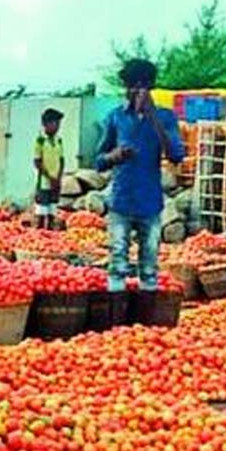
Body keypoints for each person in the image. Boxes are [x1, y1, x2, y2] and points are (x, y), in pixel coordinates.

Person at [95, 59, 186, 312]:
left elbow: (176, 155)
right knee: (117, 260)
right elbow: (98, 161)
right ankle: (116, 317)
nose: (136, 92)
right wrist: (114, 156)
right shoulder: (115, 117)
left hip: (149, 201)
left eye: (142, 86)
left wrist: (153, 116)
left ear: (150, 87)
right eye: (131, 87)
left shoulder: (165, 118)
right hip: (121, 200)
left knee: (149, 263)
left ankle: (146, 319)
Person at [33, 109, 65, 230]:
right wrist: (49, 177)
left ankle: (50, 232)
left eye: (58, 123)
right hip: (45, 180)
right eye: (54, 123)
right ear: (46, 124)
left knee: (52, 209)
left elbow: (61, 159)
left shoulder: (59, 140)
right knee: (42, 210)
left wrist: (59, 177)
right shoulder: (40, 140)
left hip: (56, 180)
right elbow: (37, 161)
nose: (57, 126)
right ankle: (40, 233)